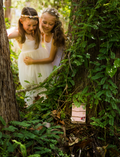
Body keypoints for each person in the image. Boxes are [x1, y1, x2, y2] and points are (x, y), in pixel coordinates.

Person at [8, 7, 53, 106]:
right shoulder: (20, 33)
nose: (32, 28)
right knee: (32, 86)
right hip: (28, 64)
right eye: (28, 25)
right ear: (21, 21)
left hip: (41, 62)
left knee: (44, 86)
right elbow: (6, 35)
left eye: (34, 25)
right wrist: (12, 29)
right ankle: (32, 110)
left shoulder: (38, 32)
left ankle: (44, 110)